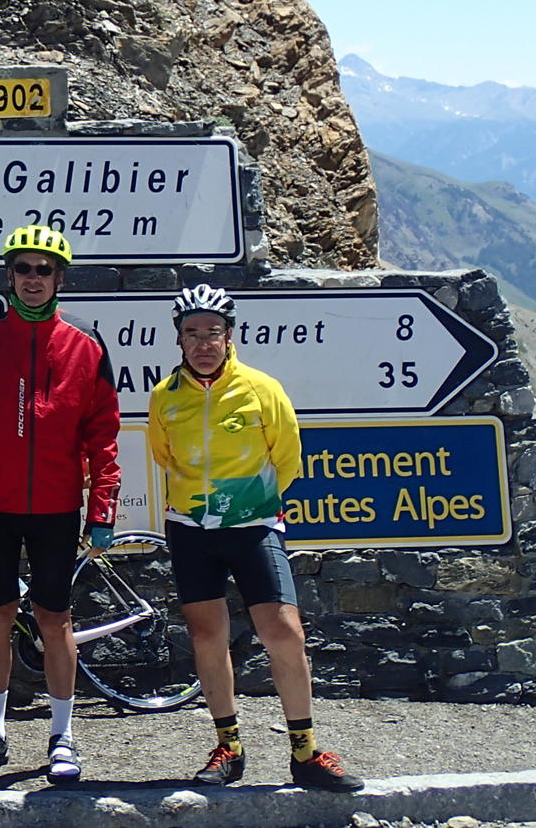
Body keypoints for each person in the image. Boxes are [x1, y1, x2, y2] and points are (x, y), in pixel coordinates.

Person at [145, 284, 363, 792]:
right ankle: (229, 747)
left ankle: (306, 752)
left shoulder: (262, 389)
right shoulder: (164, 397)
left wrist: (248, 503)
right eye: (192, 334)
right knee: (207, 636)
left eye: (212, 333)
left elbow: (287, 457)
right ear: (179, 339)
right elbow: (164, 456)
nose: (203, 343)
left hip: (254, 526)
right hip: (191, 529)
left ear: (230, 336)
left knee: (284, 630)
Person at [0, 225, 119, 783]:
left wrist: (103, 509)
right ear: (10, 276)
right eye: (24, 268)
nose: (34, 279)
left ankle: (62, 737)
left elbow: (104, 437)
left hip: (56, 506)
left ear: (60, 278)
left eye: (45, 270)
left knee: (55, 619)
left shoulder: (86, 346)